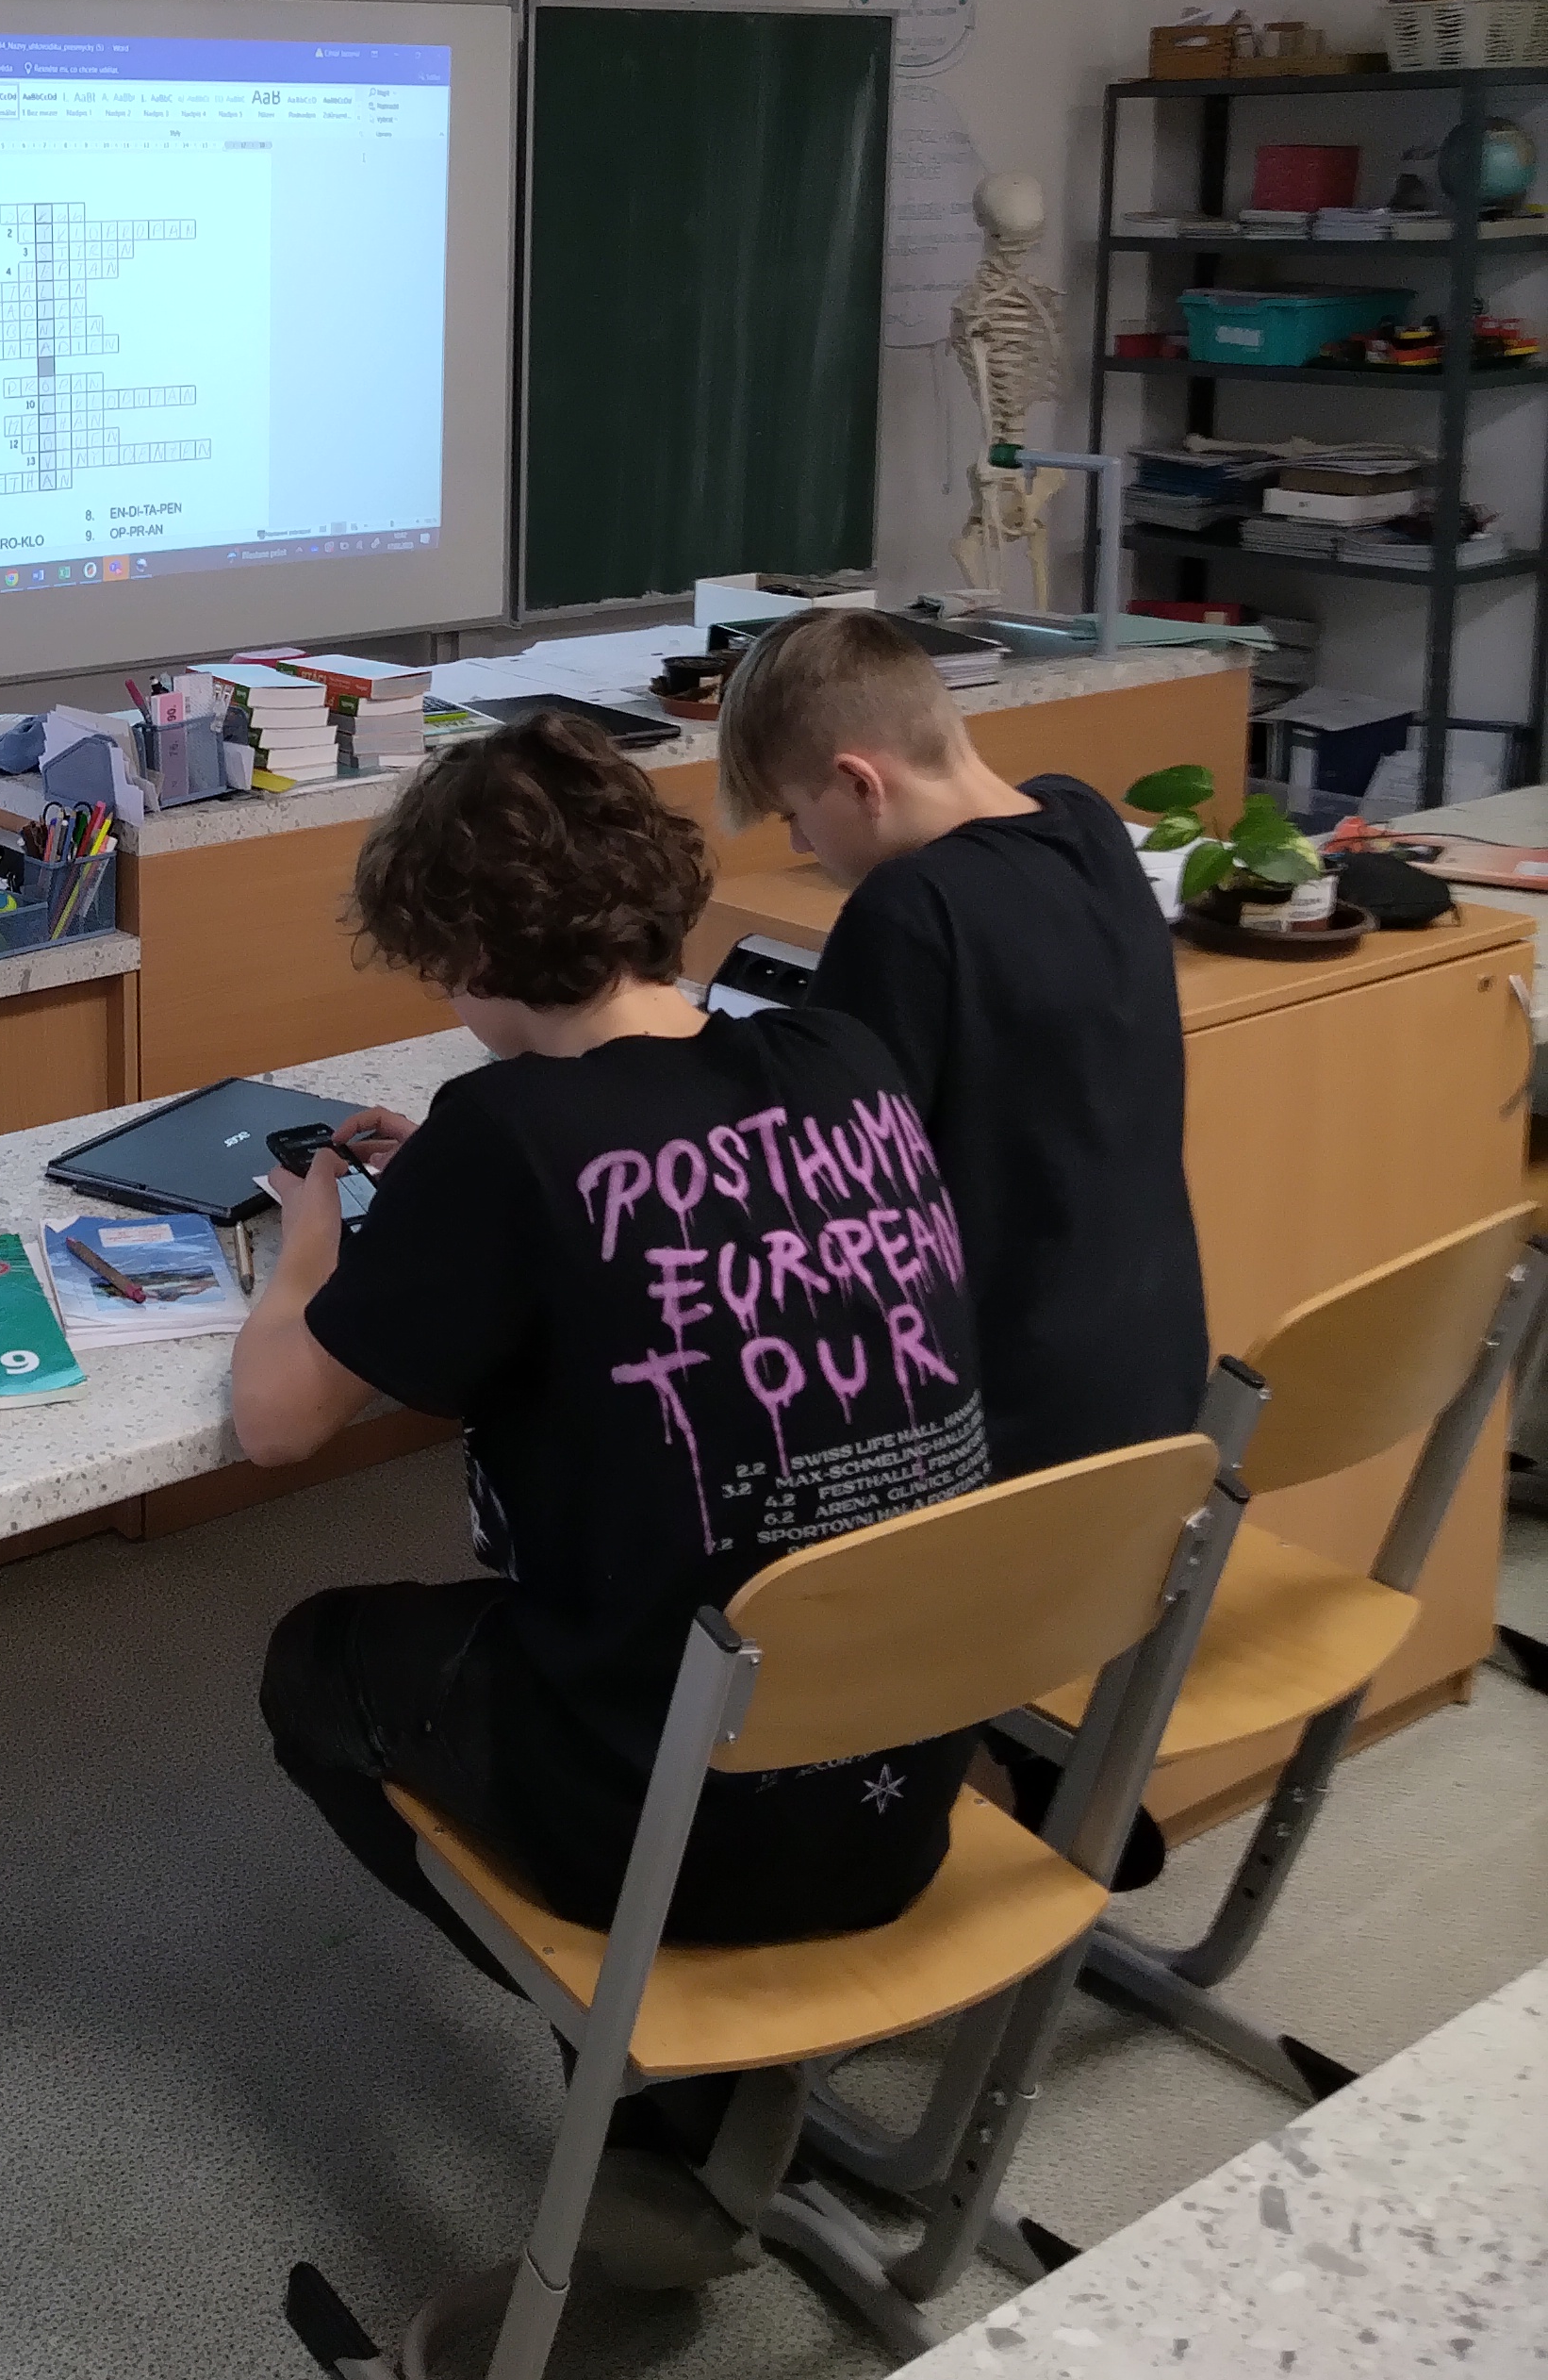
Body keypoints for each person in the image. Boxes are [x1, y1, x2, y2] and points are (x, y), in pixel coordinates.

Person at [237, 713, 992, 2275]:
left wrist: (310, 1248)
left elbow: (277, 1425)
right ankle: (699, 2080)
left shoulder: (503, 1136)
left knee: (315, 1662)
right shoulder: (846, 1061)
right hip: (907, 1778)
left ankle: (640, 2046)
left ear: (470, 953)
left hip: (684, 1824)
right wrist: (450, 1199)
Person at [713, 605, 1209, 1488]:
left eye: (794, 813)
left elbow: (814, 1193)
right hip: (1152, 1387)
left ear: (859, 783)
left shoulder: (909, 909)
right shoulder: (1087, 822)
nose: (797, 843)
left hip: (999, 1433)